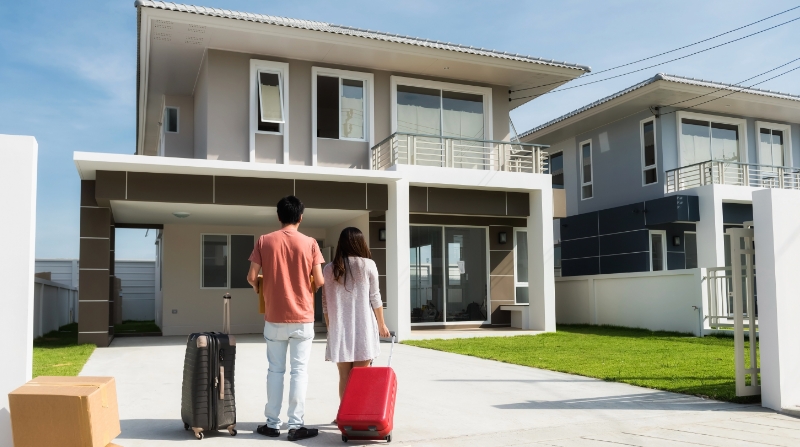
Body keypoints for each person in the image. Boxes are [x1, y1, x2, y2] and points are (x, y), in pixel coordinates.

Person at [247, 196, 324, 442]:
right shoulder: (310, 243)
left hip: (274, 318)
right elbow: (320, 280)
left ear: (279, 216)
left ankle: (272, 424)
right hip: (303, 317)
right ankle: (295, 425)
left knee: (275, 371)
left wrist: (260, 288)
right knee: (299, 371)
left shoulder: (264, 240)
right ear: (300, 217)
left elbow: (251, 277)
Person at [322, 227, 391, 409]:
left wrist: (331, 328)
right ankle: (358, 415)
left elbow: (325, 304)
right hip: (364, 328)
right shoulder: (368, 265)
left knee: (344, 376)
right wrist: (382, 324)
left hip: (339, 329)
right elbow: (375, 297)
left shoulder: (329, 269)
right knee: (361, 376)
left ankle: (344, 414)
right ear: (360, 243)